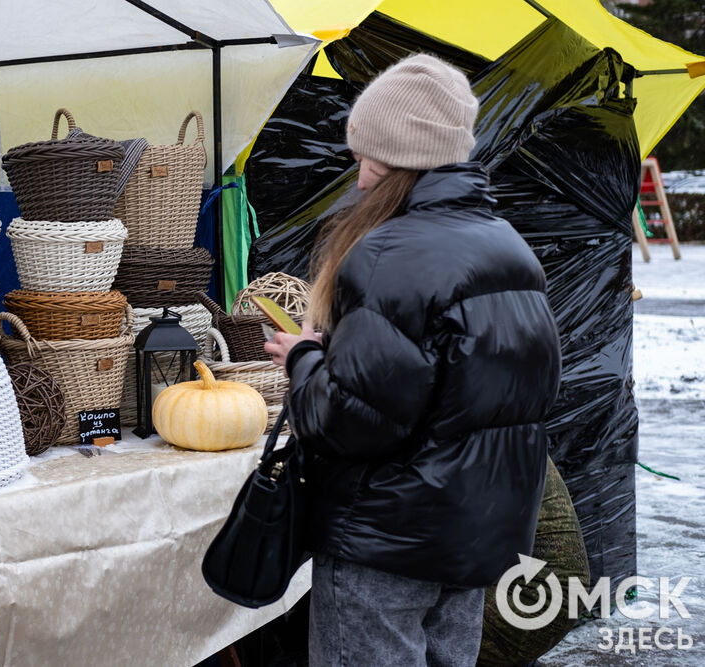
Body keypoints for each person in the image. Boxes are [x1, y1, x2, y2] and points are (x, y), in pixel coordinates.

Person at [264, 54, 562, 666]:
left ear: (396, 157)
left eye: (365, 156)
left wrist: (304, 362)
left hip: (388, 543)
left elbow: (349, 421)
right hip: (473, 539)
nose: (359, 178)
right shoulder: (511, 246)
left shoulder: (384, 254)